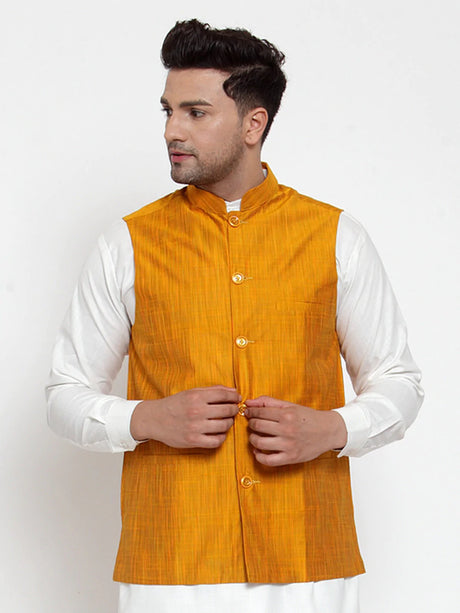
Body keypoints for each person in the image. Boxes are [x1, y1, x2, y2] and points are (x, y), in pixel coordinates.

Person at [46, 19, 424, 613]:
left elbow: (399, 381)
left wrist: (333, 430)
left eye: (195, 112)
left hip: (307, 560)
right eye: (168, 110)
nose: (172, 130)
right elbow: (64, 395)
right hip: (171, 561)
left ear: (254, 124)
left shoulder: (335, 238)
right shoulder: (128, 244)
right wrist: (146, 417)